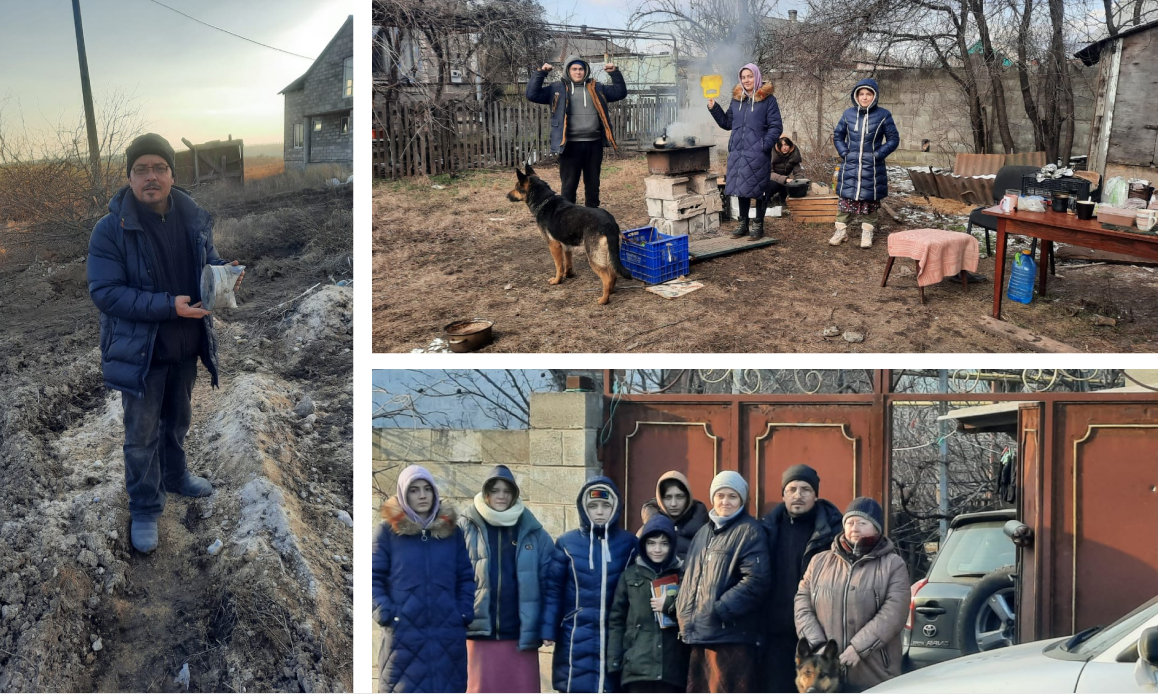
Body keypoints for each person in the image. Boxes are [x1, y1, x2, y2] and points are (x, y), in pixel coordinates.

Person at [87, 132, 244, 554]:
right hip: (142, 351)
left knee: (176, 423)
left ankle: (176, 478)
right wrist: (168, 306)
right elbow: (106, 292)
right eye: (141, 169)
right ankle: (144, 507)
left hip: (186, 345)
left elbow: (206, 261)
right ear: (130, 177)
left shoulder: (193, 218)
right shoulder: (110, 230)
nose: (150, 176)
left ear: (173, 175)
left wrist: (222, 272)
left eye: (159, 168)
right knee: (141, 436)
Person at [373, 465, 476, 693]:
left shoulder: (452, 533)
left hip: (448, 637)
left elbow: (466, 578)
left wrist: (462, 613)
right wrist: (386, 614)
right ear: (403, 494)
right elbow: (372, 578)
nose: (422, 495)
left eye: (427, 489)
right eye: (414, 490)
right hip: (402, 639)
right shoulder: (387, 532)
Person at [794, 497, 910, 692]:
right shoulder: (819, 562)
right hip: (825, 677)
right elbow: (802, 603)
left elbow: (894, 612)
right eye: (850, 522)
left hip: (874, 670)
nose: (854, 527)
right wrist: (818, 646)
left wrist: (859, 648)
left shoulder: (893, 564)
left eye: (862, 523)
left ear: (876, 528)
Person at [458, 465, 553, 693]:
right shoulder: (464, 527)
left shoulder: (533, 531)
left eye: (506, 491)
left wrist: (547, 625)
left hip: (520, 636)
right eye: (495, 490)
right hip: (478, 634)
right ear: (486, 493)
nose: (501, 496)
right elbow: (450, 576)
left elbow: (551, 581)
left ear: (514, 494)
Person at [675, 471, 770, 693]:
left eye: (732, 496)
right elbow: (691, 577)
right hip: (699, 636)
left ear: (741, 500)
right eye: (720, 495)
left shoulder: (750, 531)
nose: (725, 501)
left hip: (730, 636)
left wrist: (720, 609)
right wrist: (681, 609)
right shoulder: (703, 534)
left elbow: (757, 580)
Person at [542, 476, 637, 693]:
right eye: (593, 506)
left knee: (612, 685)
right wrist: (548, 629)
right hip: (575, 632)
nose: (600, 511)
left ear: (615, 507)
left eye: (606, 505)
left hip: (615, 634)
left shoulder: (629, 543)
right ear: (584, 508)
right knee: (576, 683)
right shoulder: (567, 543)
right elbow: (553, 589)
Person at [759, 464, 843, 693]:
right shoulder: (766, 529)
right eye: (792, 489)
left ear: (816, 495)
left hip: (817, 633)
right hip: (776, 632)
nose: (798, 495)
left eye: (805, 489)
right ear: (783, 494)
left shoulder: (834, 531)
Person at [525, 55, 627, 208]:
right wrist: (541, 73)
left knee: (593, 186)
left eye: (581, 69)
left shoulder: (596, 87)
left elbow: (620, 93)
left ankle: (593, 215)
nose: (578, 72)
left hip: (594, 144)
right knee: (569, 186)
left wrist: (615, 73)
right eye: (574, 69)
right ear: (568, 70)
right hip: (570, 145)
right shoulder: (556, 89)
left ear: (585, 71)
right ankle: (568, 217)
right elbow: (532, 94)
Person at [608, 515, 689, 693]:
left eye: (664, 543)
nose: (657, 549)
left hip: (672, 669)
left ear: (673, 545)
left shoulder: (684, 576)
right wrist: (614, 661)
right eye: (651, 543)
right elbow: (616, 620)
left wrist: (670, 605)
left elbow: (694, 612)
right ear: (643, 544)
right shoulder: (629, 575)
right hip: (637, 667)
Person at [708, 63, 783, 240]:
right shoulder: (737, 99)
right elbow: (727, 123)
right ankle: (742, 224)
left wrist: (763, 145)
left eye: (750, 76)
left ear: (756, 76)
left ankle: (758, 225)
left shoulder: (768, 100)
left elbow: (776, 126)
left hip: (758, 152)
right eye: (743, 77)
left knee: (760, 189)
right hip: (738, 152)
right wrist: (714, 108)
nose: (746, 80)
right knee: (743, 188)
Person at [830, 78, 899, 249]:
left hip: (872, 167)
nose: (865, 97)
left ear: (874, 96)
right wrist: (845, 152)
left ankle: (867, 232)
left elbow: (893, 139)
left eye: (868, 94)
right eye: (861, 94)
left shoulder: (884, 115)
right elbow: (838, 135)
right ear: (856, 96)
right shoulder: (848, 114)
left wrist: (877, 155)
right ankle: (841, 231)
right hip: (850, 165)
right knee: (845, 197)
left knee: (870, 199)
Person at [637, 470, 709, 561]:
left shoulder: (706, 529)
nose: (673, 504)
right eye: (668, 497)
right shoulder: (646, 531)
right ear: (660, 499)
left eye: (679, 497)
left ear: (688, 497)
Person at [769, 137, 804, 205]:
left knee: (793, 186)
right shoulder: (772, 153)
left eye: (786, 145)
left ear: (790, 145)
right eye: (781, 145)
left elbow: (798, 171)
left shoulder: (793, 154)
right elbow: (769, 173)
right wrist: (785, 179)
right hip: (772, 179)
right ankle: (766, 200)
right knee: (772, 185)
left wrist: (799, 182)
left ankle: (781, 199)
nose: (784, 148)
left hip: (784, 179)